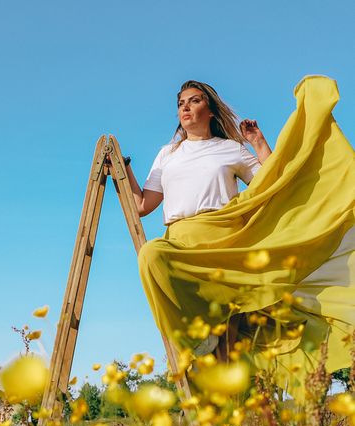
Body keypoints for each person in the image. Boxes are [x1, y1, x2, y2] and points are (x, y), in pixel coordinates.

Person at [124, 76, 355, 397]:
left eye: (193, 101)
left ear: (211, 110)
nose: (186, 108)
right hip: (181, 242)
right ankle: (197, 341)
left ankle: (234, 414)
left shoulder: (230, 149)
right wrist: (124, 168)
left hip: (226, 243)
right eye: (180, 104)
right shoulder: (167, 154)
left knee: (228, 345)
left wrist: (259, 143)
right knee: (151, 256)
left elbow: (274, 185)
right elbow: (141, 206)